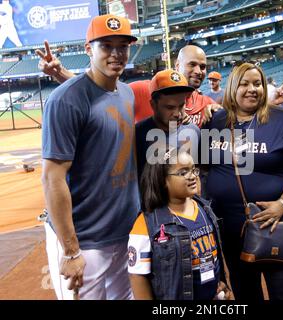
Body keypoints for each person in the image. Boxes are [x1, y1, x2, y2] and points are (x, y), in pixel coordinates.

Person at [41, 14, 141, 300]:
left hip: (123, 232)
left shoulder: (126, 93)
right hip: (85, 240)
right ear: (88, 49)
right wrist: (71, 251)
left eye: (122, 46)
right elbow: (52, 178)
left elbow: (97, 104)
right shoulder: (64, 100)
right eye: (106, 46)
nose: (116, 53)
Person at [205, 62, 283, 300]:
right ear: (233, 88)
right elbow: (203, 163)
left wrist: (282, 204)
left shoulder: (282, 120)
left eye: (257, 84)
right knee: (245, 291)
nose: (252, 89)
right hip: (232, 228)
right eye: (244, 84)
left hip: (275, 225)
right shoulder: (217, 121)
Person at [128, 146, 232, 300]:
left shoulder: (205, 208)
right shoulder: (146, 224)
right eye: (183, 172)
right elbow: (137, 276)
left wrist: (222, 283)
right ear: (162, 180)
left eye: (193, 170)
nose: (192, 176)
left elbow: (215, 256)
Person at [36, 44, 221, 125]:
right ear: (177, 65)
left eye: (203, 66)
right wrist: (59, 72)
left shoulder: (206, 104)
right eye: (192, 64)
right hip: (142, 190)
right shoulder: (145, 90)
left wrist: (217, 110)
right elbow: (100, 91)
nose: (199, 71)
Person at [135, 69, 200, 180]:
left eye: (181, 105)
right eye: (170, 107)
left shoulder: (193, 131)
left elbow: (200, 171)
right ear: (153, 105)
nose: (177, 113)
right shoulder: (137, 134)